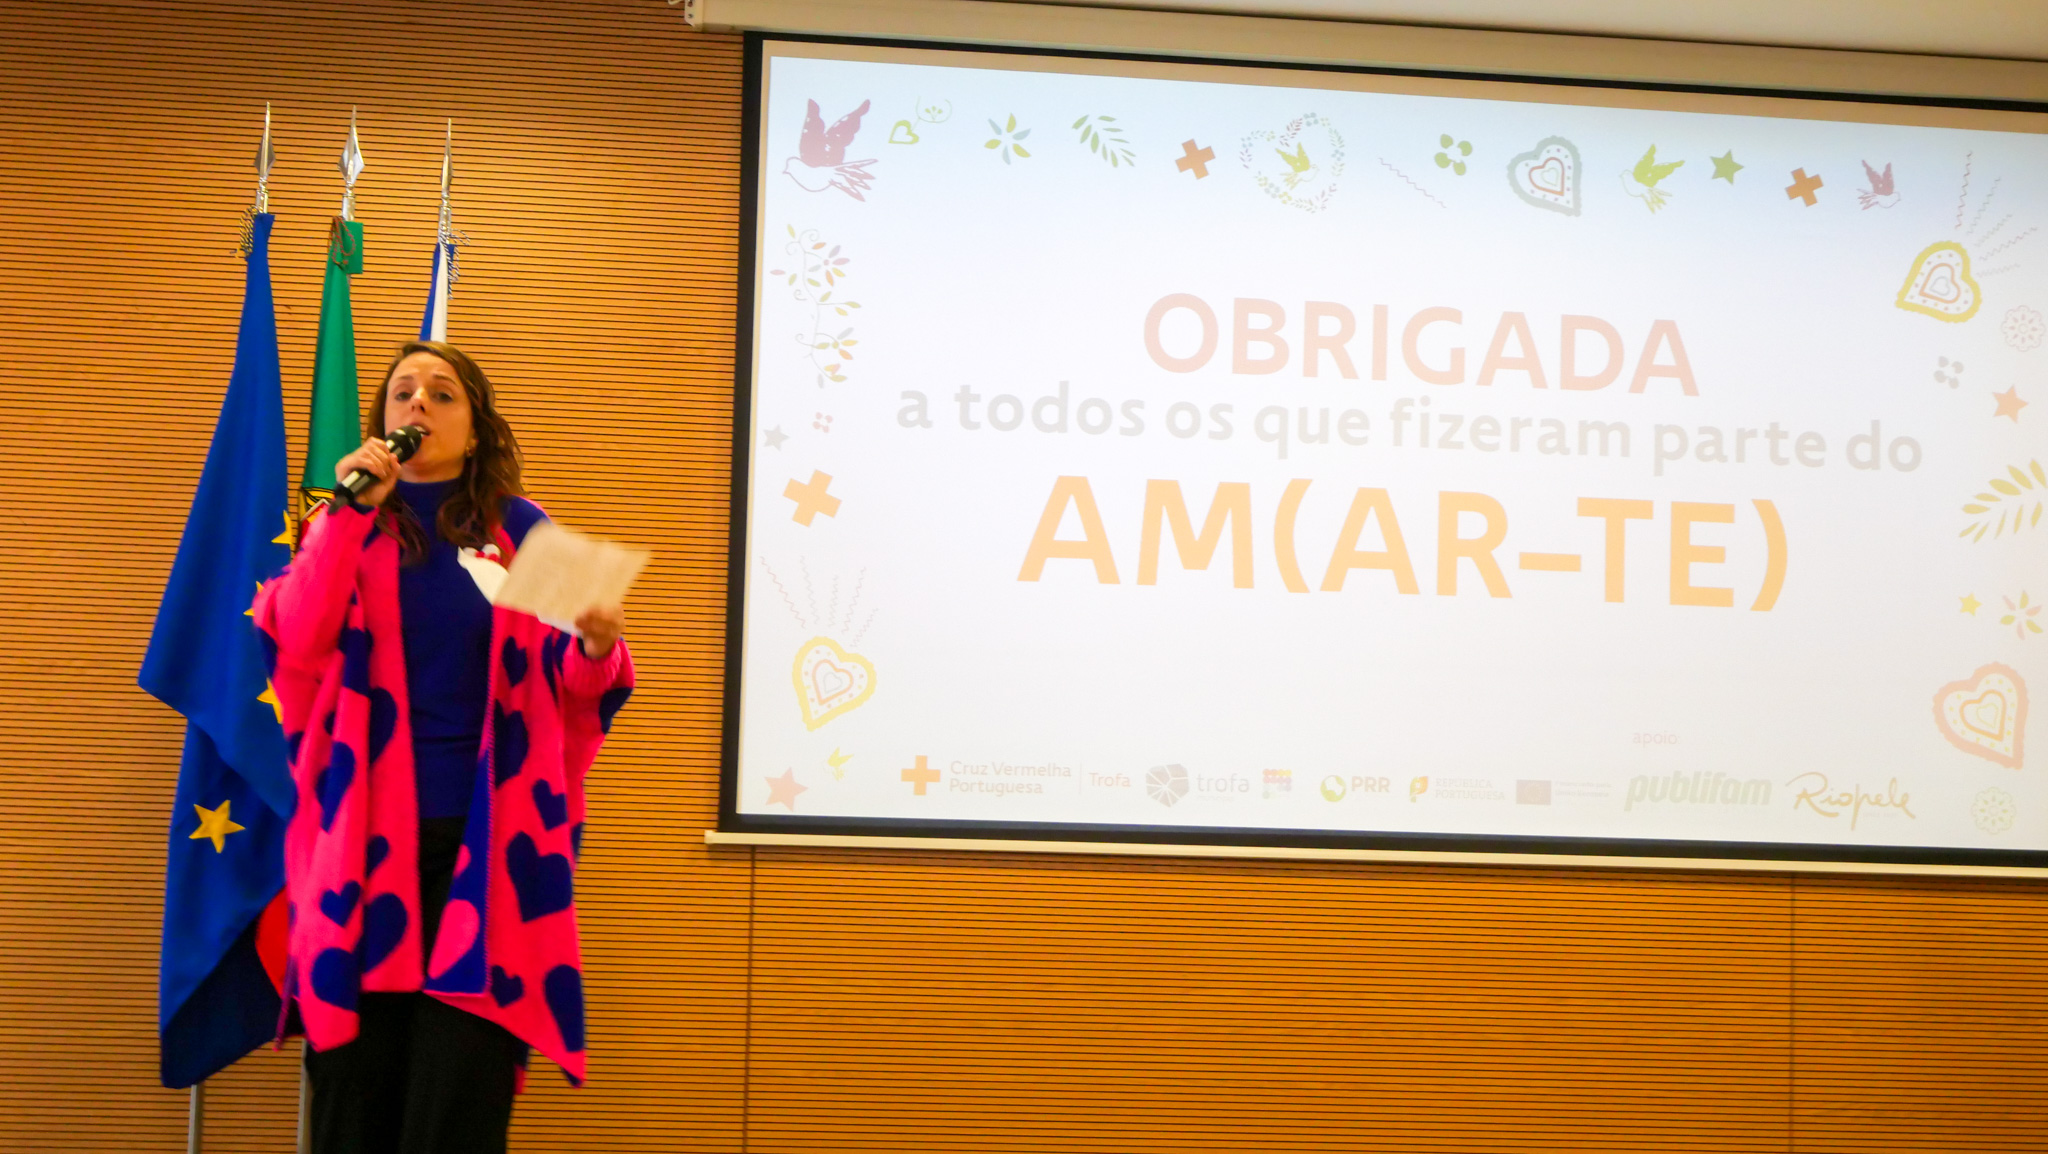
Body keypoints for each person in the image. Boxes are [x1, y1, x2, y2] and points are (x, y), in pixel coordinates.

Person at [253, 341, 634, 1154]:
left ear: (475, 426)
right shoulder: (342, 523)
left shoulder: (519, 530)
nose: (418, 405)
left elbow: (576, 681)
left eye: (442, 393)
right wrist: (350, 514)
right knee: (354, 1091)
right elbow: (300, 634)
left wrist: (598, 643)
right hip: (363, 849)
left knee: (459, 1094)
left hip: (486, 853)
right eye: (402, 393)